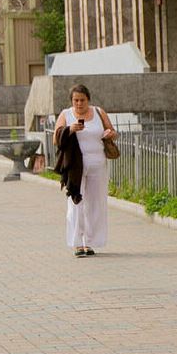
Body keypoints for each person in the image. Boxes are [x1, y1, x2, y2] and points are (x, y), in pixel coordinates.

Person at [54, 83, 117, 257]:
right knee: (76, 203)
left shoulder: (98, 112)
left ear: (88, 99)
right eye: (76, 100)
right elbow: (55, 138)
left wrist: (110, 134)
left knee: (95, 203)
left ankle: (89, 242)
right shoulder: (66, 114)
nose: (79, 104)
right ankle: (77, 243)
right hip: (75, 166)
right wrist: (70, 129)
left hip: (98, 164)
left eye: (82, 100)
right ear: (71, 101)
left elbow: (112, 131)